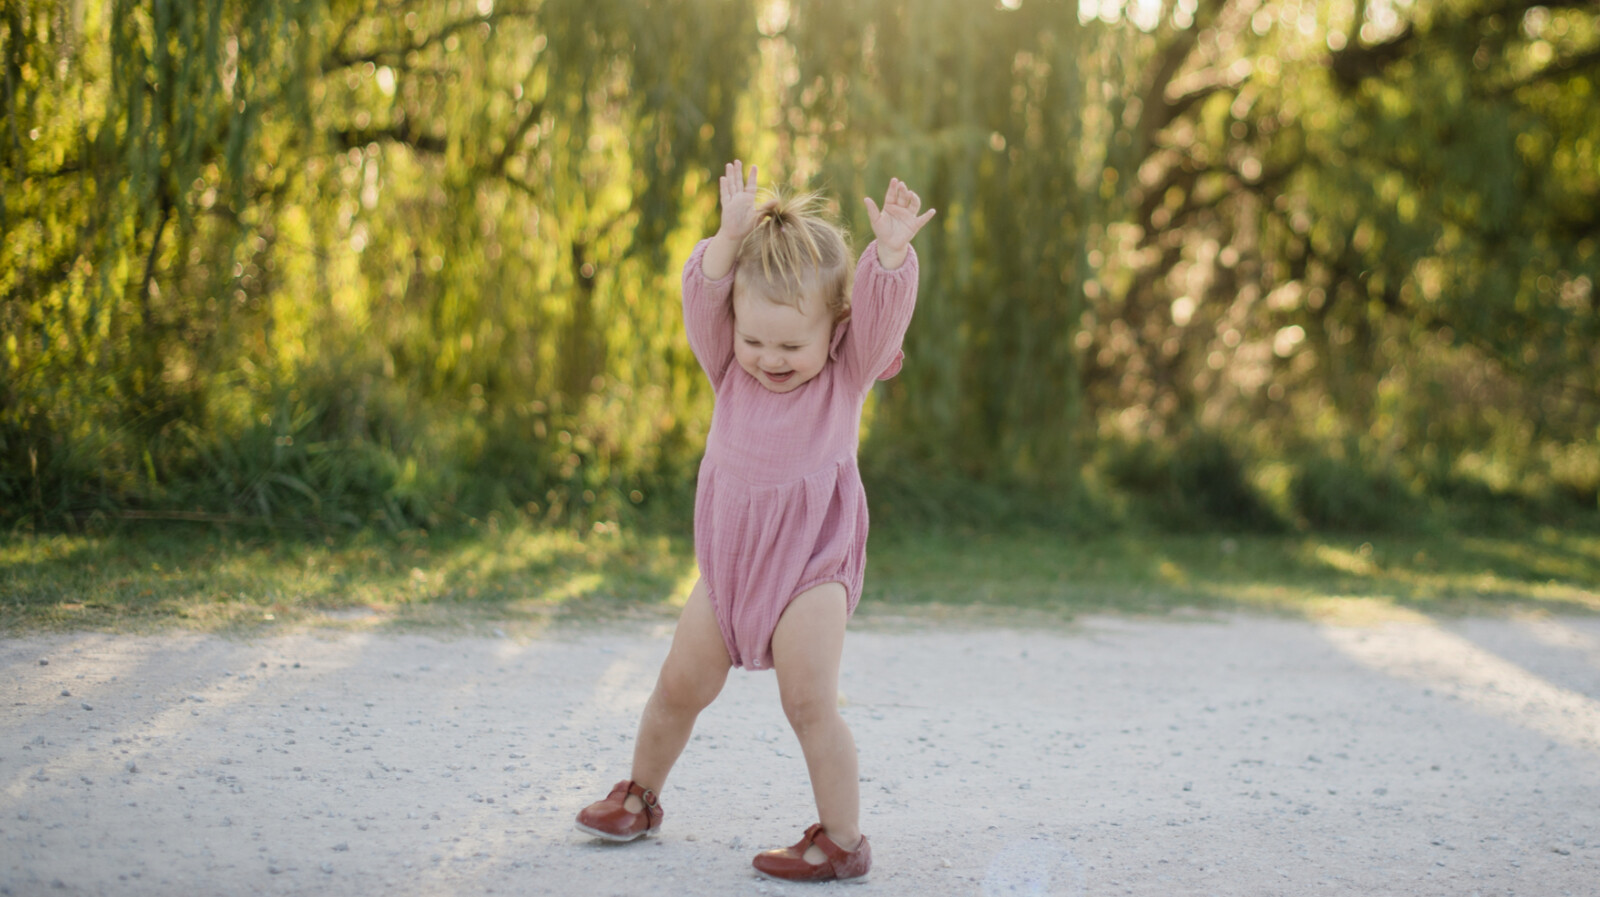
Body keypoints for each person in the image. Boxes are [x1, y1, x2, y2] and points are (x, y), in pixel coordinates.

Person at [574, 160, 935, 883]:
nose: (769, 358)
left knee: (807, 700)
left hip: (811, 568)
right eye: (755, 340)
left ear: (835, 330)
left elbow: (883, 314)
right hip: (730, 570)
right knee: (679, 683)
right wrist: (725, 236)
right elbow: (702, 296)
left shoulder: (845, 372)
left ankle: (841, 839)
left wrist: (890, 255)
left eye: (790, 346)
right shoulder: (726, 364)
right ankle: (640, 795)